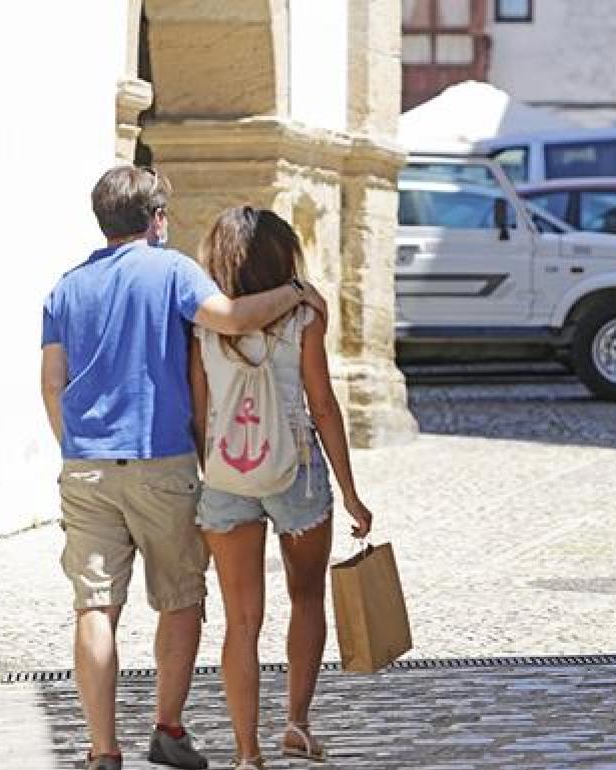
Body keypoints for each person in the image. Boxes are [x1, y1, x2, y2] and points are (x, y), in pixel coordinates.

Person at [41, 166, 329, 770]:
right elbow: (230, 318)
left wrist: (78, 447)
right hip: (162, 460)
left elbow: (50, 384)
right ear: (156, 220)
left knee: (95, 608)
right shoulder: (170, 269)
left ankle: (103, 750)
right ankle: (168, 729)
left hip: (86, 467)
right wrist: (296, 293)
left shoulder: (64, 289)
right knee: (178, 601)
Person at [189, 207, 374, 770]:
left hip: (227, 477)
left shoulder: (201, 326)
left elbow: (200, 415)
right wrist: (349, 491)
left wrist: (211, 479)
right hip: (296, 472)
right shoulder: (304, 320)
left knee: (240, 619)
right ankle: (296, 723)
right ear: (281, 258)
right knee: (307, 597)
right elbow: (322, 406)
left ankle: (247, 752)